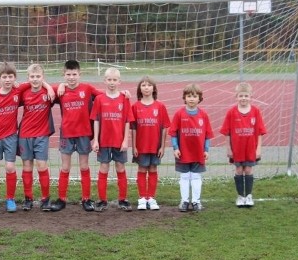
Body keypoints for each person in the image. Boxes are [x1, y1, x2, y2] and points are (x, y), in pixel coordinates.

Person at [52, 59, 102, 212]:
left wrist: (123, 94)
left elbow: (106, 97)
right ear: (64, 74)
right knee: (65, 167)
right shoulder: (60, 91)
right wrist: (60, 85)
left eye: (74, 74)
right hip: (67, 133)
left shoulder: (87, 89)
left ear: (80, 74)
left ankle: (86, 198)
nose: (71, 77)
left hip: (84, 134)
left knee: (84, 166)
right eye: (68, 74)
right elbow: (43, 88)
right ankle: (61, 199)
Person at [90, 68, 135, 212]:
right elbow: (96, 120)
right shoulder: (99, 99)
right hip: (103, 141)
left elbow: (128, 120)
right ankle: (102, 200)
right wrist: (96, 140)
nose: (112, 82)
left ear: (119, 82)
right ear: (104, 81)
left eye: (115, 80)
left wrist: (125, 140)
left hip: (119, 141)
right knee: (104, 168)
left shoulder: (124, 99)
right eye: (109, 79)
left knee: (120, 168)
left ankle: (123, 199)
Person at [220, 82, 267, 208]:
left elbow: (260, 132)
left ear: (251, 96)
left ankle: (249, 196)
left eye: (246, 95)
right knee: (239, 170)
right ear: (236, 97)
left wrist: (259, 148)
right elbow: (227, 132)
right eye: (241, 96)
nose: (243, 98)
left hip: (251, 148)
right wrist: (229, 148)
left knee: (248, 169)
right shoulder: (231, 112)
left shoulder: (256, 111)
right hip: (237, 149)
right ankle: (241, 196)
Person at [168, 83, 214, 212]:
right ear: (184, 98)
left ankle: (196, 201)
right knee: (184, 177)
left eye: (194, 96)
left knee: (195, 177)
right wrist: (175, 148)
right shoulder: (179, 114)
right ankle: (184, 201)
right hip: (183, 153)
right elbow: (173, 133)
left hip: (198, 153)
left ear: (199, 98)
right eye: (189, 96)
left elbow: (207, 135)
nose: (192, 99)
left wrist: (206, 150)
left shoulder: (203, 115)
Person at [131, 75, 170, 211]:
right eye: (143, 85)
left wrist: (162, 146)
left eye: (149, 85)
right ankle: (142, 198)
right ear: (139, 89)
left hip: (155, 146)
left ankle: (151, 198)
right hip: (141, 146)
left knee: (153, 169)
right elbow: (133, 128)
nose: (146, 87)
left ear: (153, 88)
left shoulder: (160, 106)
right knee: (142, 169)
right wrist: (134, 146)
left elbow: (165, 127)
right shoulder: (135, 106)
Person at [18, 64, 54, 211]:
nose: (35, 79)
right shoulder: (24, 92)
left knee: (42, 166)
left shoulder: (49, 92)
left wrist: (49, 87)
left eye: (38, 76)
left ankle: (45, 198)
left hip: (41, 135)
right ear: (28, 78)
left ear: (43, 77)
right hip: (25, 134)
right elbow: (12, 91)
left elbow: (63, 88)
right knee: (27, 166)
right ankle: (28, 198)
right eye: (32, 77)